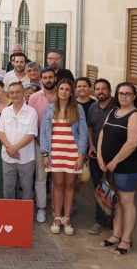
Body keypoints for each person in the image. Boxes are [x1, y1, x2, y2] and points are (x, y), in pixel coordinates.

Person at [97, 82, 137, 255]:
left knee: (127, 203)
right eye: (121, 93)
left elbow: (132, 143)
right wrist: (100, 157)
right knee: (116, 202)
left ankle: (126, 241)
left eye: (127, 93)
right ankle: (115, 235)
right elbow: (103, 133)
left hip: (127, 168)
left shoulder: (136, 116)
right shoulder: (113, 111)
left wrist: (115, 161)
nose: (123, 96)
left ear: (134, 96)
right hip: (110, 165)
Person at [40, 79, 88, 235]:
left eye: (67, 89)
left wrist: (81, 155)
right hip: (55, 153)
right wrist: (45, 153)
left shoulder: (78, 108)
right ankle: (57, 217)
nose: (64, 92)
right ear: (57, 90)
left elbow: (83, 133)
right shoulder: (49, 108)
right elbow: (44, 133)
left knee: (69, 186)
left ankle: (67, 218)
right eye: (61, 88)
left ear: (71, 92)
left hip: (72, 153)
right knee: (58, 184)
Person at [0, 82, 38, 202]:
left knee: (26, 189)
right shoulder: (5, 111)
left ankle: (25, 216)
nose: (15, 95)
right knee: (8, 188)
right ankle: (9, 215)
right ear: (9, 94)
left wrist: (14, 149)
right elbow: (0, 131)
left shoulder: (31, 112)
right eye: (12, 92)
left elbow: (31, 134)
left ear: (24, 93)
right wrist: (10, 149)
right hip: (7, 157)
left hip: (26, 157)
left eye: (17, 92)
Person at [86, 79, 115, 235]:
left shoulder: (117, 108)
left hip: (113, 156)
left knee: (113, 190)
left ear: (109, 91)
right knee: (99, 188)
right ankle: (99, 221)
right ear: (94, 91)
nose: (101, 91)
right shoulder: (93, 107)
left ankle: (112, 222)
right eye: (97, 89)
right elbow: (90, 128)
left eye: (104, 89)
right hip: (95, 155)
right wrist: (91, 145)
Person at [28, 67, 58, 223]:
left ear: (55, 78)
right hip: (40, 143)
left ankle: (57, 209)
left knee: (58, 180)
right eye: (45, 77)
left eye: (50, 77)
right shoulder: (34, 97)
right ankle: (41, 208)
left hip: (60, 145)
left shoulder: (63, 96)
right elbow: (31, 121)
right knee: (41, 177)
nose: (48, 80)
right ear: (41, 79)